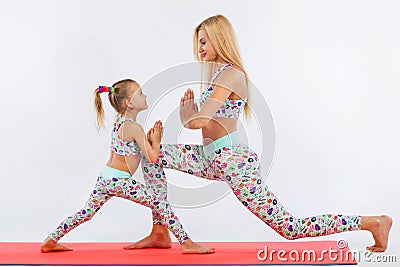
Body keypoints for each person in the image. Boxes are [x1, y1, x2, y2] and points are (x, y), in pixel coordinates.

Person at [124, 15, 392, 253]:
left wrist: (188, 117)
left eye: (204, 41)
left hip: (233, 162)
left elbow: (200, 121)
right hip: (208, 157)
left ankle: (372, 222)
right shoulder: (218, 75)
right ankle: (160, 230)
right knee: (152, 154)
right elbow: (202, 121)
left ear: (220, 39)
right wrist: (192, 117)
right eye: (198, 42)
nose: (200, 48)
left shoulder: (232, 74)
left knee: (289, 228)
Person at [40, 79, 215, 254]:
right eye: (140, 93)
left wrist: (147, 142)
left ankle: (51, 240)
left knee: (86, 213)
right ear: (129, 103)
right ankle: (187, 243)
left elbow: (125, 153)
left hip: (106, 178)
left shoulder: (119, 124)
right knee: (161, 204)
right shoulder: (133, 127)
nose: (144, 95)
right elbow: (153, 158)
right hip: (119, 181)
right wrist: (156, 141)